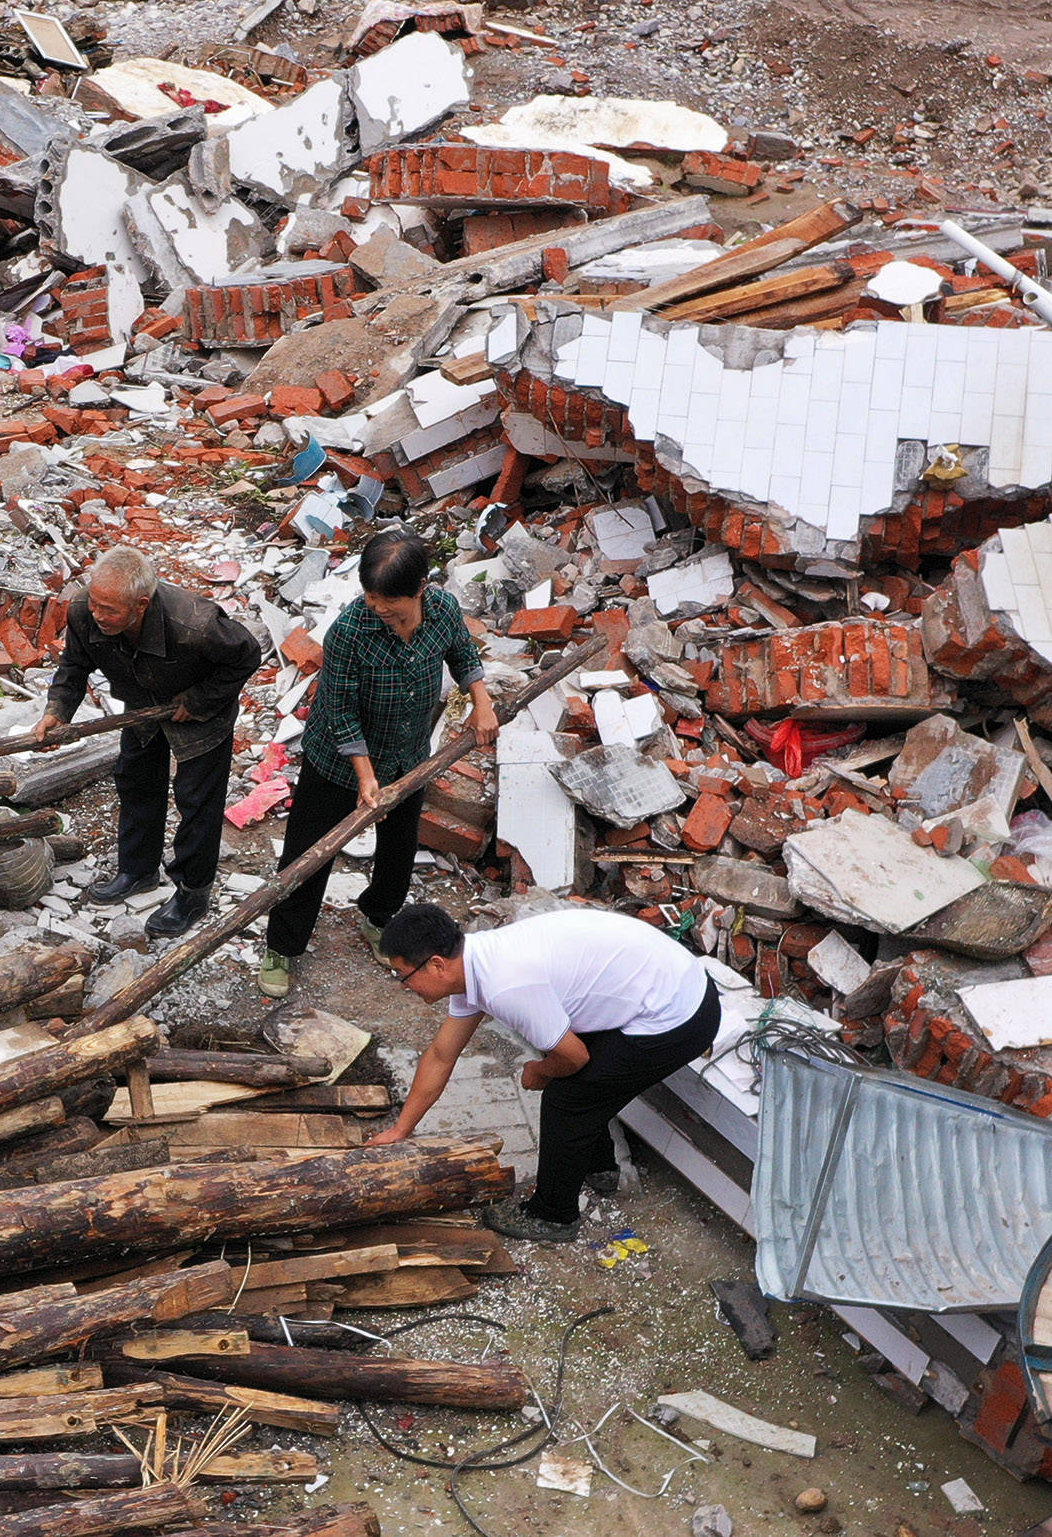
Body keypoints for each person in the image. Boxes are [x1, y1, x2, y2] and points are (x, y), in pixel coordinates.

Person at [367, 901, 723, 1242]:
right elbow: (442, 1055)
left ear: (436, 965)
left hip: (679, 1015)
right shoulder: (474, 965)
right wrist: (401, 1129)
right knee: (585, 1082)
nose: (404, 986)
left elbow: (573, 1058)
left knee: (567, 1097)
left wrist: (539, 1071)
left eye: (403, 975)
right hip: (663, 986)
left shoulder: (506, 985)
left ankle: (552, 1215)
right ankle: (597, 1169)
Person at [257, 529, 496, 998]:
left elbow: (464, 654)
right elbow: (340, 710)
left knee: (398, 849)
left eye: (392, 605)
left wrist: (482, 702)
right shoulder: (350, 630)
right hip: (338, 761)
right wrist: (366, 781)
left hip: (407, 755)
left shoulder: (443, 610)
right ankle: (282, 945)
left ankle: (379, 918)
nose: (380, 611)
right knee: (310, 853)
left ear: (421, 590)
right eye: (372, 600)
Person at [34, 548, 262, 938]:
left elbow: (247, 656)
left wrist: (199, 700)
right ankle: (137, 870)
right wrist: (58, 710)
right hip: (142, 704)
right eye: (95, 604)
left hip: (200, 714)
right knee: (136, 781)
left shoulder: (196, 624)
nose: (98, 616)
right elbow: (74, 664)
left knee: (196, 801)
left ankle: (192, 892)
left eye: (110, 610)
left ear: (141, 604)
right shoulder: (82, 611)